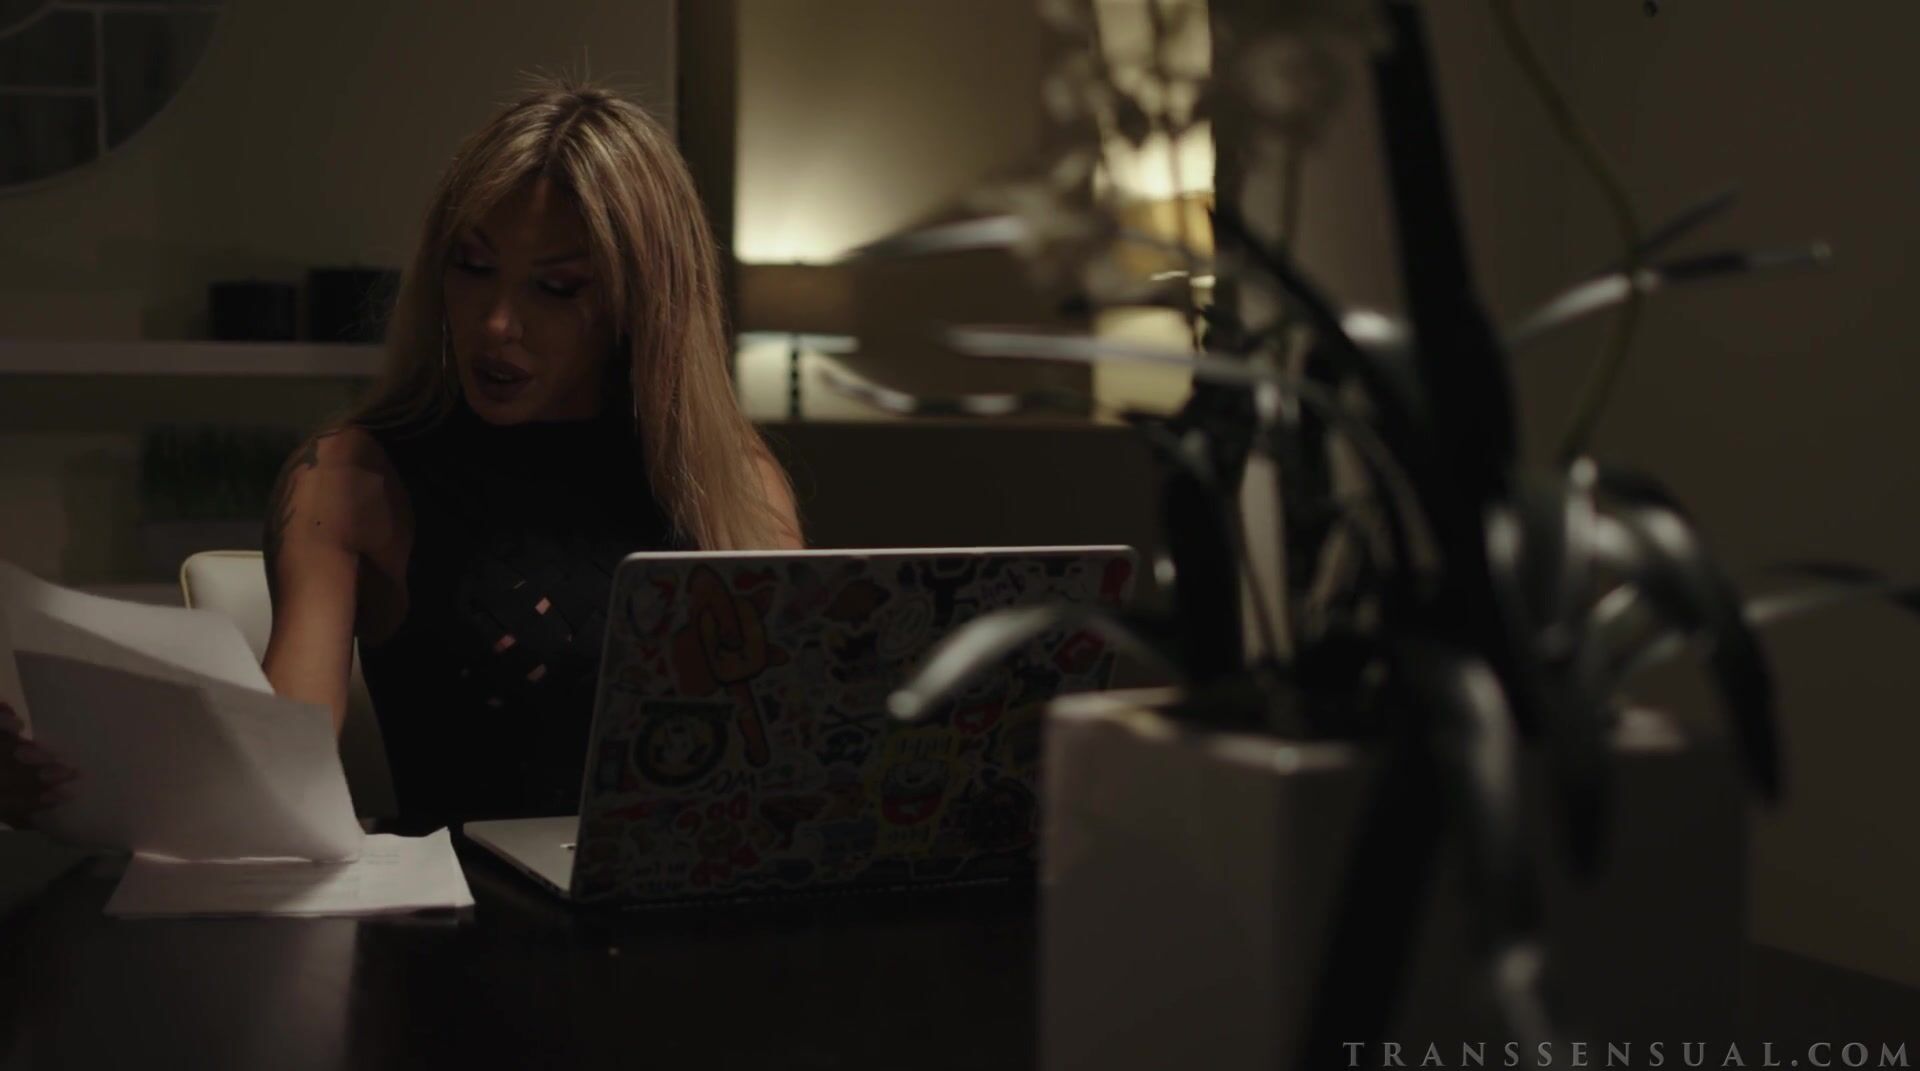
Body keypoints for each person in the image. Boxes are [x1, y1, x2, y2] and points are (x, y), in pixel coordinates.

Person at [0, 79, 800, 832]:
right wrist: (66, 782)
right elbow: (274, 783)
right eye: (473, 269)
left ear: (642, 304)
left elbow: (797, 748)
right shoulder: (349, 478)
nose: (496, 323)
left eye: (556, 288)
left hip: (694, 912)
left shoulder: (730, 478)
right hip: (464, 917)